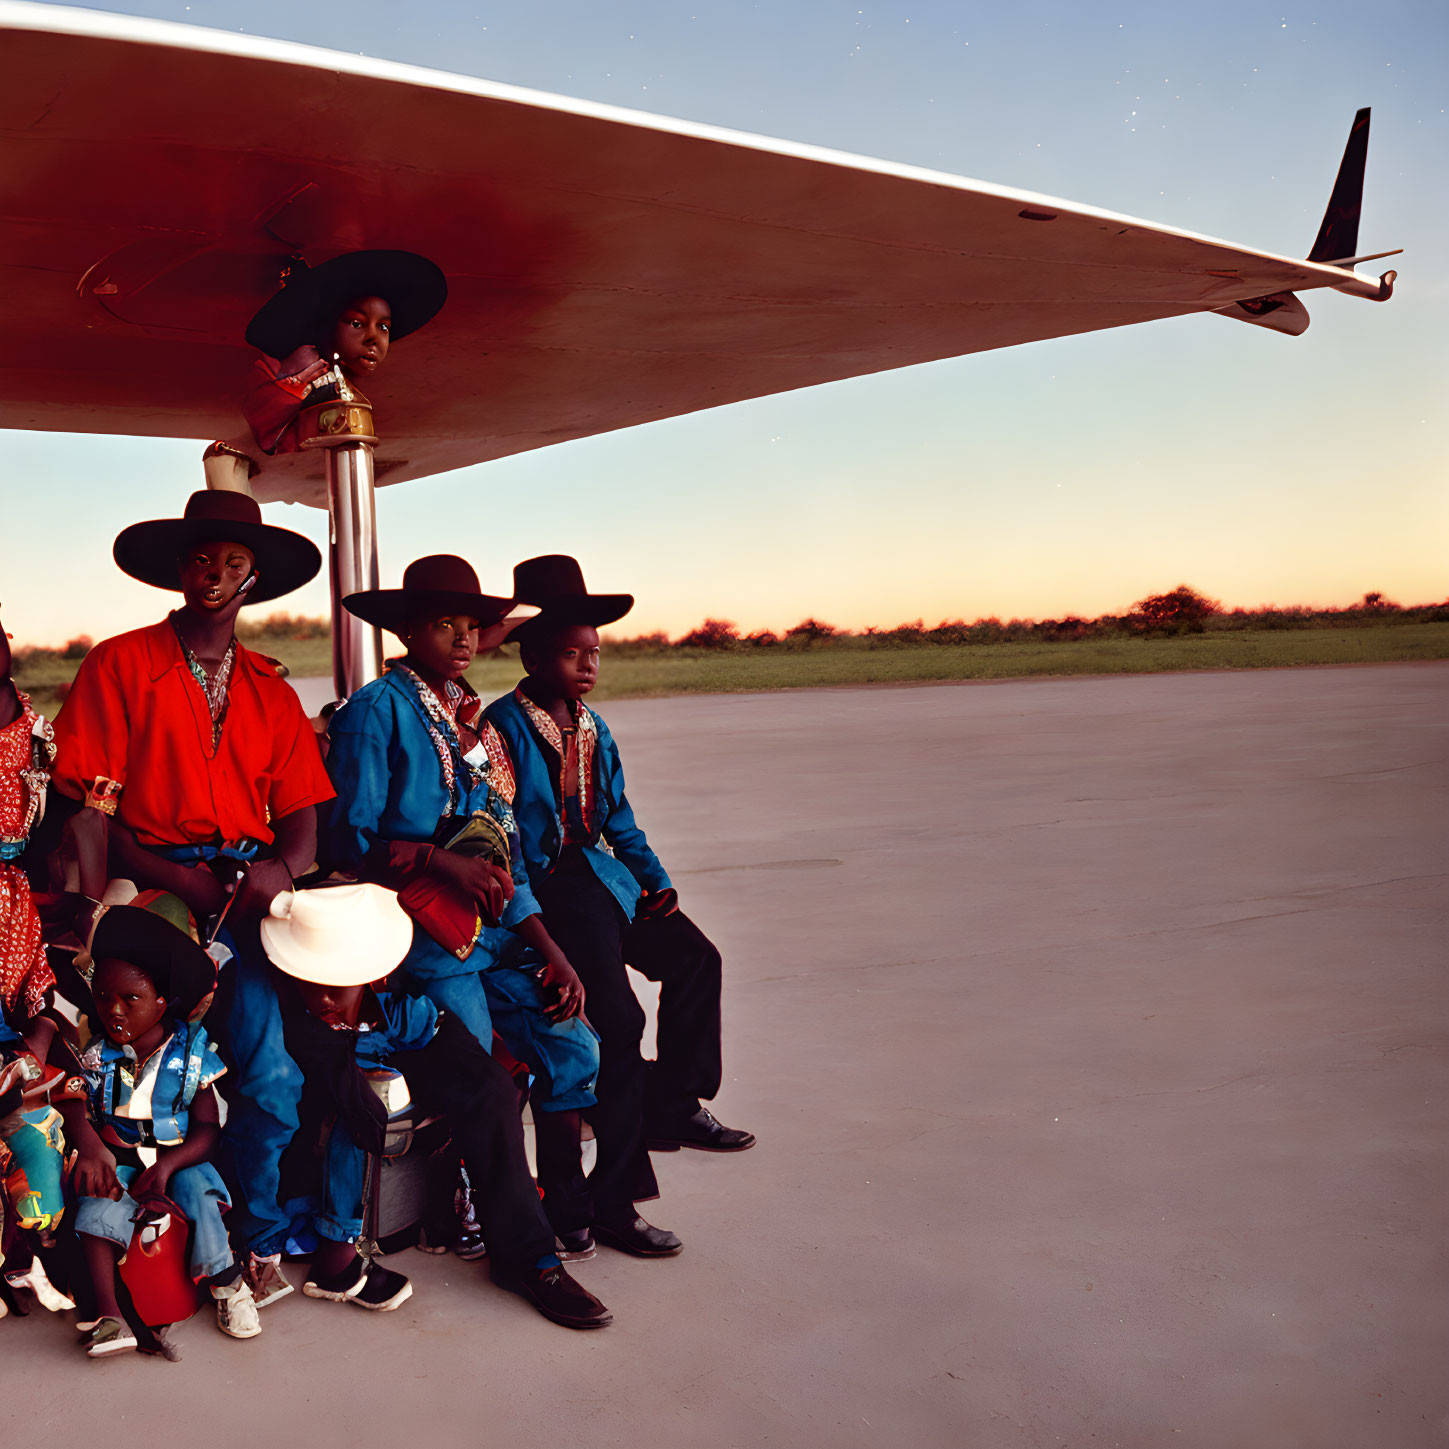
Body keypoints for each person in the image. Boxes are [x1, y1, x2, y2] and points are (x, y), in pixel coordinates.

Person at [47, 488, 335, 1309]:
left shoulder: (272, 690)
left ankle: (259, 1237)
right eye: (202, 559)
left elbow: (304, 825)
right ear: (179, 570)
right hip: (153, 890)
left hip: (243, 899)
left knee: (272, 1073)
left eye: (233, 562)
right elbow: (92, 809)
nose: (215, 574)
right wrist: (173, 882)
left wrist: (279, 870)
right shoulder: (121, 662)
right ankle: (122, 1234)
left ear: (255, 578)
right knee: (135, 1068)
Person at [323, 555, 609, 1250]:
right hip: (422, 929)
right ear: (408, 632)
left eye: (471, 625)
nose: (459, 637)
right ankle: (462, 1202)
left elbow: (502, 846)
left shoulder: (476, 721)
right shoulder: (377, 710)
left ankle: (566, 1200)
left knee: (572, 1038)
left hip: (495, 930)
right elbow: (345, 843)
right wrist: (434, 858)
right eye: (442, 623)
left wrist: (550, 948)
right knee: (474, 1061)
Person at [485, 556, 754, 1262]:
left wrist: (653, 878)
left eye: (594, 654)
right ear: (534, 654)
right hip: (551, 886)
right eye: (571, 654)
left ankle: (677, 1100)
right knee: (618, 1021)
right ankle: (613, 1199)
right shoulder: (502, 727)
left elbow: (620, 816)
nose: (586, 666)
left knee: (696, 958)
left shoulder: (595, 727)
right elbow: (502, 831)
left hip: (604, 874)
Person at [256, 882, 611, 1328]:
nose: (326, 998)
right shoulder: (285, 1004)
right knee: (361, 1109)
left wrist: (474, 1076)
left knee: (493, 1091)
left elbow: (432, 1029)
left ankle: (528, 1257)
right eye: (315, 985)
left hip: (388, 1031)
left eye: (338, 987)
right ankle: (337, 1254)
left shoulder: (391, 1001)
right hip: (315, 1091)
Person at [62, 905, 260, 1356]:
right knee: (96, 1203)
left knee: (201, 1196)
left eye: (130, 999)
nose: (113, 1011)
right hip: (123, 1157)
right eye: (103, 997)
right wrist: (94, 1149)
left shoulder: (191, 1055)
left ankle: (227, 1285)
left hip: (180, 1156)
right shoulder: (95, 1056)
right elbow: (74, 1102)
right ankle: (112, 1314)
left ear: (162, 1003)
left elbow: (209, 1130)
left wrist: (171, 1163)